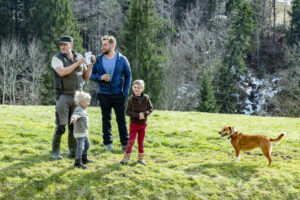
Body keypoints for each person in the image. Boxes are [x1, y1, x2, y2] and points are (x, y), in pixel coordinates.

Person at [51, 36, 95, 160]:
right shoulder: (57, 58)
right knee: (61, 125)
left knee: (74, 125)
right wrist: (77, 63)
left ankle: (73, 152)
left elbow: (86, 77)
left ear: (71, 45)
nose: (63, 47)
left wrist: (90, 65)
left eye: (65, 44)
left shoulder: (79, 57)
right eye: (61, 45)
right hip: (63, 96)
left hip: (78, 97)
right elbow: (62, 72)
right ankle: (55, 152)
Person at [90, 35, 131, 151]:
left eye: (105, 44)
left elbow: (128, 75)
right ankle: (108, 144)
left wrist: (125, 92)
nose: (102, 47)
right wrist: (100, 77)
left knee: (121, 119)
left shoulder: (122, 59)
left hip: (118, 94)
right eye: (102, 44)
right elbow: (90, 75)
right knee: (105, 119)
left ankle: (125, 144)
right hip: (103, 94)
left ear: (112, 45)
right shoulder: (98, 59)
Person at [120, 80, 153, 165]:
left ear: (142, 89)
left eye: (139, 87)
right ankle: (126, 159)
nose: (136, 89)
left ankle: (141, 159)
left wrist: (145, 114)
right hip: (134, 124)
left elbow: (150, 109)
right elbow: (127, 112)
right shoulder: (131, 99)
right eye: (135, 87)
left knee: (141, 142)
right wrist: (138, 115)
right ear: (132, 88)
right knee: (131, 141)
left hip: (143, 124)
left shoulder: (146, 98)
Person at [70, 91, 93, 169]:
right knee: (81, 147)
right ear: (81, 102)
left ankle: (84, 158)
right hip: (79, 132)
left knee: (87, 145)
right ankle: (77, 163)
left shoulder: (83, 108)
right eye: (87, 102)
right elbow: (75, 114)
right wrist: (74, 118)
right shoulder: (79, 109)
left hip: (84, 132)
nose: (88, 103)